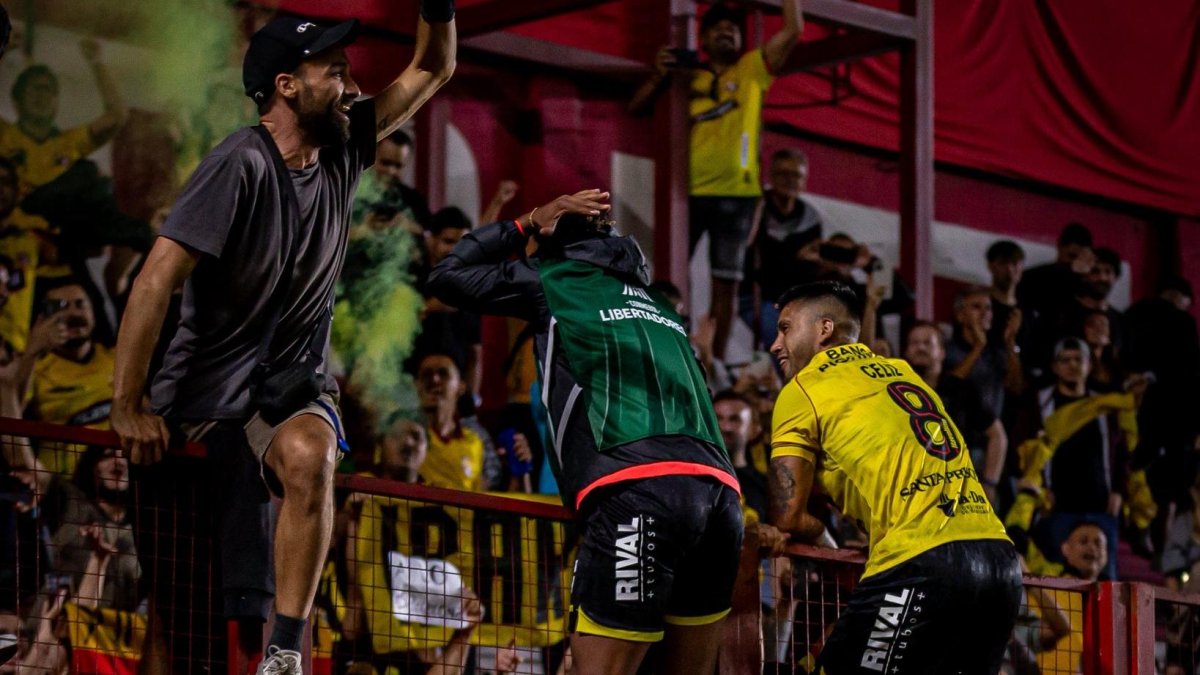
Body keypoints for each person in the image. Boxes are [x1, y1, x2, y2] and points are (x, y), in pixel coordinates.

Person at [110, 6, 455, 673]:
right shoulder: (238, 162)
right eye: (335, 71)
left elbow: (433, 67)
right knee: (178, 628)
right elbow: (153, 281)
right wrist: (127, 404)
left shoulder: (346, 144)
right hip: (197, 406)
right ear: (287, 86)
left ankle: (285, 651)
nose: (353, 86)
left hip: (284, 392)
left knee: (311, 453)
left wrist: (436, 6)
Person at [427, 190, 744, 675]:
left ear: (547, 247)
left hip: (636, 491)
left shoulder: (554, 278)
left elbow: (446, 275)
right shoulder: (662, 307)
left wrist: (526, 221)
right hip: (721, 499)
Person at [767, 280, 1021, 674]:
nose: (775, 345)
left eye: (785, 329)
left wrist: (828, 546)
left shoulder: (803, 388)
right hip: (1000, 564)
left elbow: (788, 515)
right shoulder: (903, 373)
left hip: (920, 560)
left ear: (824, 329)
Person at [629, 0, 803, 364]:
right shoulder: (686, 74)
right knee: (672, 277)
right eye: (719, 28)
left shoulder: (752, 68)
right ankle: (671, 352)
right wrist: (659, 75)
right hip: (686, 193)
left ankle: (715, 364)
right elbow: (636, 107)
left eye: (734, 28)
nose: (728, 32)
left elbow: (793, 30)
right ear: (704, 38)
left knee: (727, 285)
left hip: (738, 195)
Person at [904, 321, 1006, 505]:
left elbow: (998, 436)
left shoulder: (961, 389)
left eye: (927, 343)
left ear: (942, 352)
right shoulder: (896, 393)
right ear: (906, 352)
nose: (920, 348)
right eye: (914, 343)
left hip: (960, 489)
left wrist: (989, 484)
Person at [24, 279, 117, 476]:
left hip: (117, 476)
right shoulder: (36, 370)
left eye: (80, 304)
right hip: (64, 484)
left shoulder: (117, 359)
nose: (73, 313)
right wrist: (32, 351)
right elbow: (10, 411)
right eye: (62, 306)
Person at [742, 148, 824, 349]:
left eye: (796, 175)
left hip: (796, 304)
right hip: (755, 299)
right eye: (783, 174)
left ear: (804, 181)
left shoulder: (811, 218)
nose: (790, 181)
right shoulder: (756, 209)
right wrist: (796, 257)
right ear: (771, 176)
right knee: (789, 342)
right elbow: (748, 257)